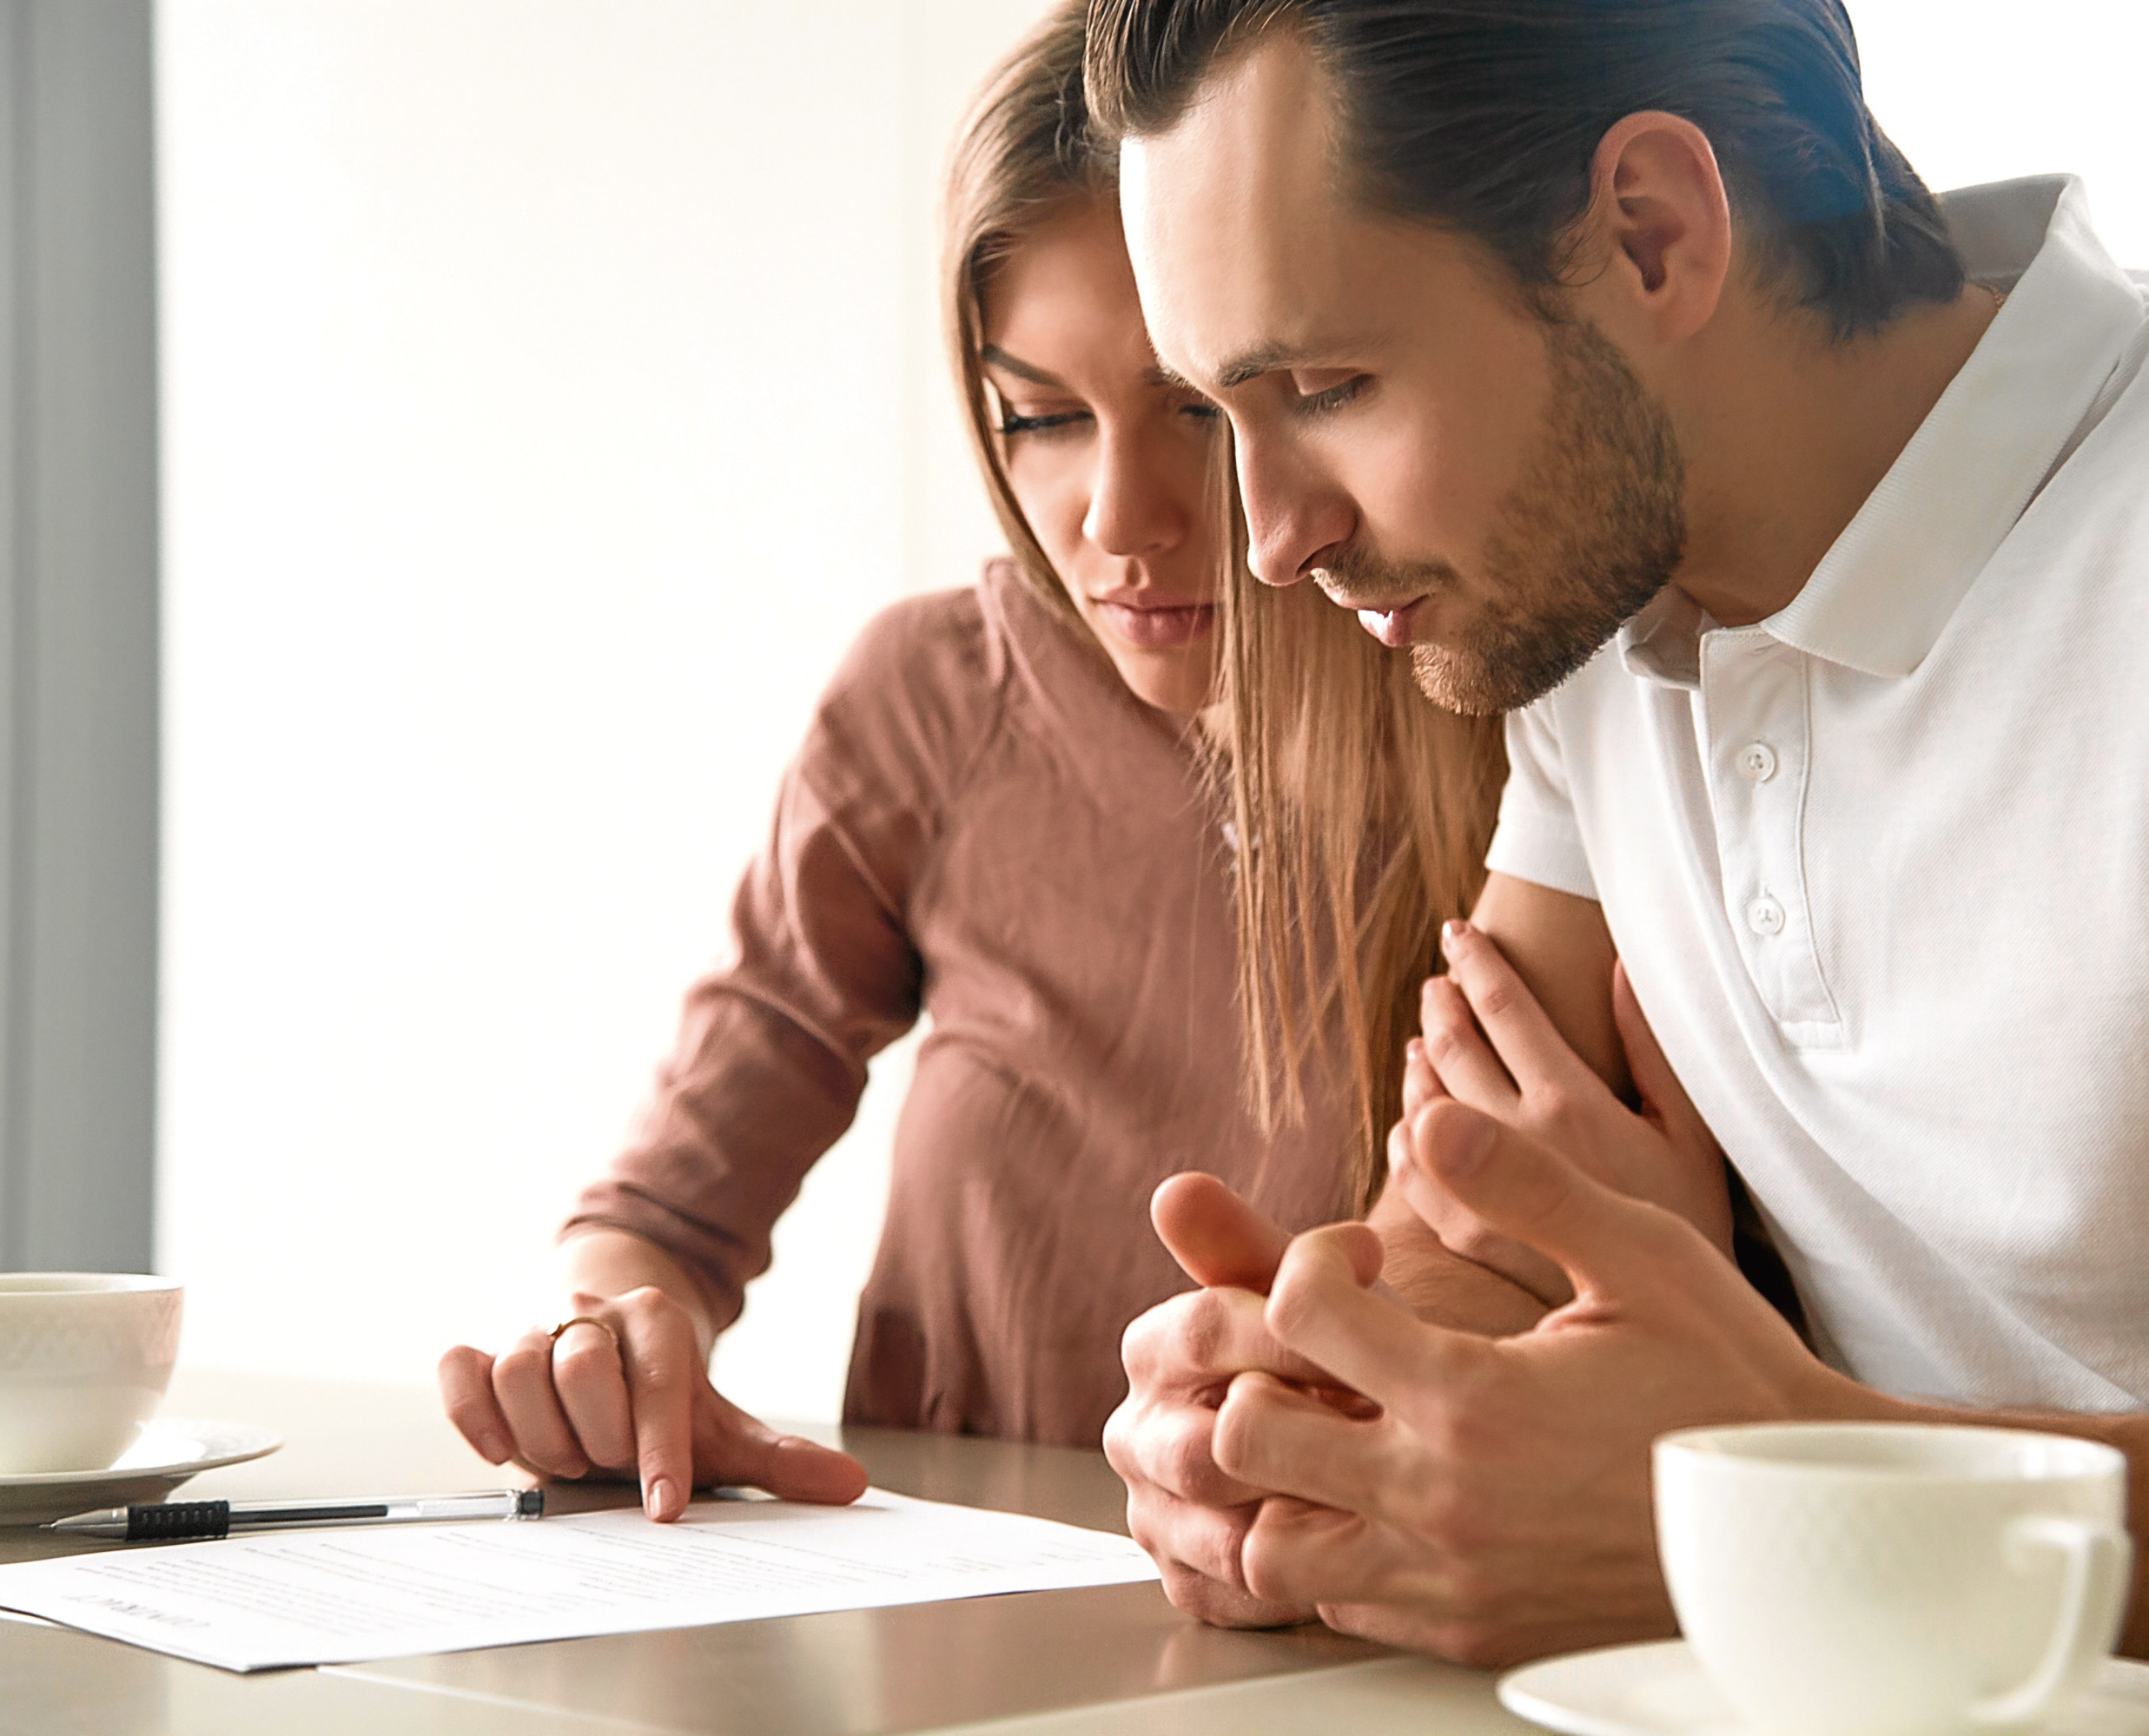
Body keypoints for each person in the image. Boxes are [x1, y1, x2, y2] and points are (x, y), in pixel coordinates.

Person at [1082, 0, 2149, 1704]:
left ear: (1653, 233)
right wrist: (1324, 1418)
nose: (1272, 538)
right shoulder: (1592, 615)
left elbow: (1721, 1443)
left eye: (1326, 387)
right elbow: (1483, 1241)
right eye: (1230, 413)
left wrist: (1817, 1493)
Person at [433, 1, 1498, 1521]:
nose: (1116, 520)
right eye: (1039, 417)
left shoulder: (1519, 722)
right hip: (952, 1618)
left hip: (1343, 1608)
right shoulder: (935, 698)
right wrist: (608, 1327)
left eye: (1192, 410)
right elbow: (661, 1210)